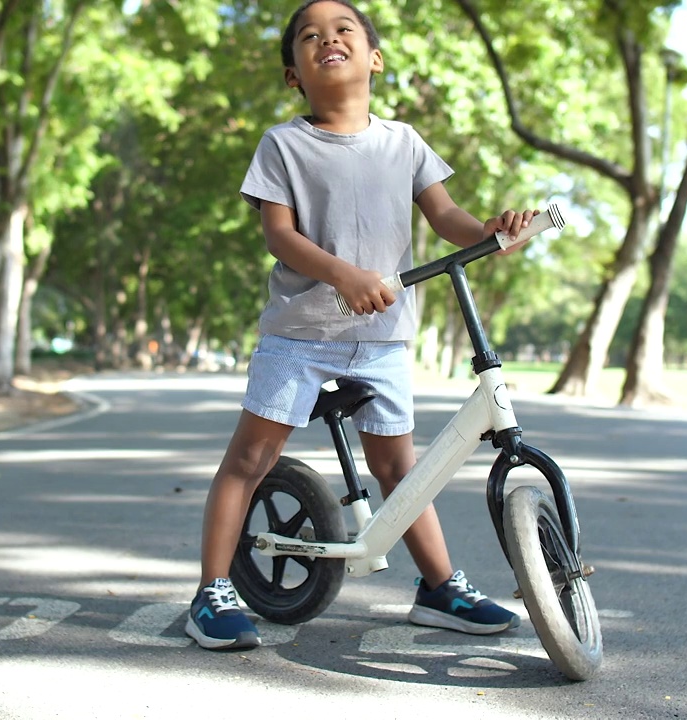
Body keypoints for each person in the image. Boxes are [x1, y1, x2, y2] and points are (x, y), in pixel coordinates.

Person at [186, 0, 539, 651]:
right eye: (310, 37)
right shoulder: (284, 144)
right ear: (294, 74)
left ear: (373, 57)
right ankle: (212, 590)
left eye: (344, 29)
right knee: (250, 458)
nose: (328, 39)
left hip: (379, 341)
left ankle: (439, 589)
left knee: (400, 467)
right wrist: (344, 275)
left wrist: (490, 230)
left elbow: (448, 217)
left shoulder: (404, 143)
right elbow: (279, 236)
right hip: (300, 335)